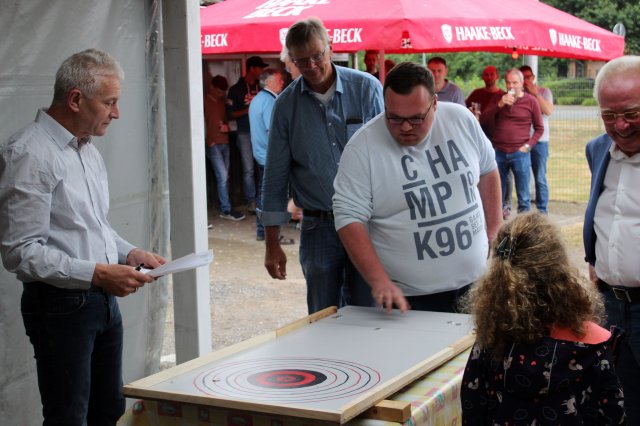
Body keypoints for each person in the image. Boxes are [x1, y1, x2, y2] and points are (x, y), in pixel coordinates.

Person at [0, 48, 167, 425]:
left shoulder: (86, 149)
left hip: (101, 301)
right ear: (76, 99)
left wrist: (129, 252)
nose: (117, 113)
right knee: (69, 417)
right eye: (110, 102)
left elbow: (93, 225)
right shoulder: (28, 153)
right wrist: (98, 272)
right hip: (59, 306)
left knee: (109, 411)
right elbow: (20, 252)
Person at [333, 61, 502, 313]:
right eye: (394, 117)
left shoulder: (461, 119)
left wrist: (494, 230)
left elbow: (488, 169)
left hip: (477, 284)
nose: (405, 127)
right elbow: (348, 218)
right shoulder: (362, 148)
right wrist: (379, 280)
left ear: (435, 104)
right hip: (410, 298)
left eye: (415, 118)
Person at [261, 17, 384, 314]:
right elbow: (275, 175)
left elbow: (389, 157)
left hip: (368, 221)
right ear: (291, 61)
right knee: (322, 316)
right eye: (301, 61)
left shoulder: (366, 89)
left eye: (317, 56)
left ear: (331, 47)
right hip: (319, 226)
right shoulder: (286, 106)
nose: (312, 66)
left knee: (370, 313)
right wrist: (272, 243)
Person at [461, 213, 625, 425]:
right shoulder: (594, 348)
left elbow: (472, 408)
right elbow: (612, 415)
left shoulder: (490, 342)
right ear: (561, 269)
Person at [584, 55, 640, 425]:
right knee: (620, 404)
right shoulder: (597, 149)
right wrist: (594, 261)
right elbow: (606, 216)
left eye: (631, 113)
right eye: (609, 115)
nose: (619, 125)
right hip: (610, 307)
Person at [481, 68, 543, 217]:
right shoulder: (498, 98)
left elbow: (539, 128)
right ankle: (499, 224)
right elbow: (483, 119)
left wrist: (528, 146)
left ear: (521, 83)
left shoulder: (531, 101)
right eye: (508, 82)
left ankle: (524, 226)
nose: (511, 86)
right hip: (499, 152)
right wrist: (499, 104)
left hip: (520, 153)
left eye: (514, 83)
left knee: (523, 196)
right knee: (497, 194)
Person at [248, 68, 292, 244]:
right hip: (271, 157)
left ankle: (263, 231)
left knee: (264, 194)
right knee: (273, 196)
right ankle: (270, 233)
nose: (282, 82)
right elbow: (273, 132)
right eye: (279, 80)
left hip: (261, 154)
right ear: (269, 82)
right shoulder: (270, 101)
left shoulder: (257, 99)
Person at [227, 55, 269, 214]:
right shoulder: (235, 89)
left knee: (263, 166)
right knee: (248, 169)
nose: (262, 71)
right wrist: (250, 108)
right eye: (260, 68)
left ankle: (262, 200)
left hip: (261, 132)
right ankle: (251, 201)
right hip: (244, 133)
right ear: (252, 69)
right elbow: (230, 114)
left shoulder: (262, 87)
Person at [204, 75, 246, 221]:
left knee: (224, 177)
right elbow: (199, 122)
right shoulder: (203, 101)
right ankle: (225, 209)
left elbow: (226, 120)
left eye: (222, 93)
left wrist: (227, 128)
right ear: (212, 87)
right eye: (218, 92)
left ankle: (225, 208)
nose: (220, 95)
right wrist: (208, 141)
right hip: (213, 144)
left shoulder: (223, 102)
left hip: (225, 141)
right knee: (222, 176)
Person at [520, 65, 554, 214]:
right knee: (523, 175)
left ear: (533, 77)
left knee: (540, 176)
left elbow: (548, 111)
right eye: (523, 78)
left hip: (540, 140)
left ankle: (542, 211)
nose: (526, 80)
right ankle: (524, 210)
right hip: (522, 139)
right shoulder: (517, 94)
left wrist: (536, 94)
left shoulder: (544, 92)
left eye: (528, 77)